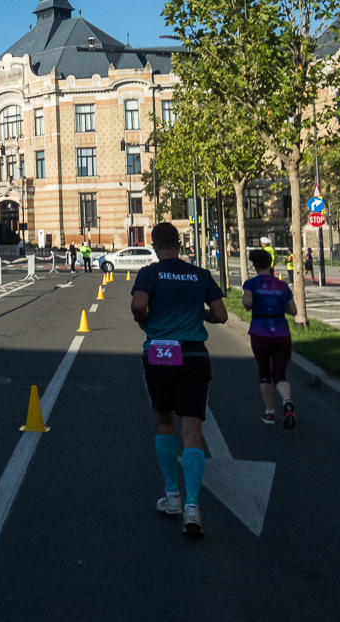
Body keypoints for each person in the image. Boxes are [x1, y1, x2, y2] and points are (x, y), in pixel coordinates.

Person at [131, 221, 228, 537]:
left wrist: (145, 322)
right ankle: (193, 507)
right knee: (193, 430)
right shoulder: (200, 275)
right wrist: (202, 316)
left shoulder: (150, 273)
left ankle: (172, 495)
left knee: (163, 421)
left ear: (155, 245)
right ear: (179, 243)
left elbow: (138, 305)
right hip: (194, 355)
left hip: (160, 352)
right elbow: (221, 315)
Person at [242, 249, 297, 429]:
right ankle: (287, 401)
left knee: (265, 373)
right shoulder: (282, 286)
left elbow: (247, 304)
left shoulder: (250, 283)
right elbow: (293, 310)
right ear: (271, 265)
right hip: (281, 332)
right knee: (280, 374)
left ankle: (270, 413)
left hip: (260, 331)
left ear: (255, 265)